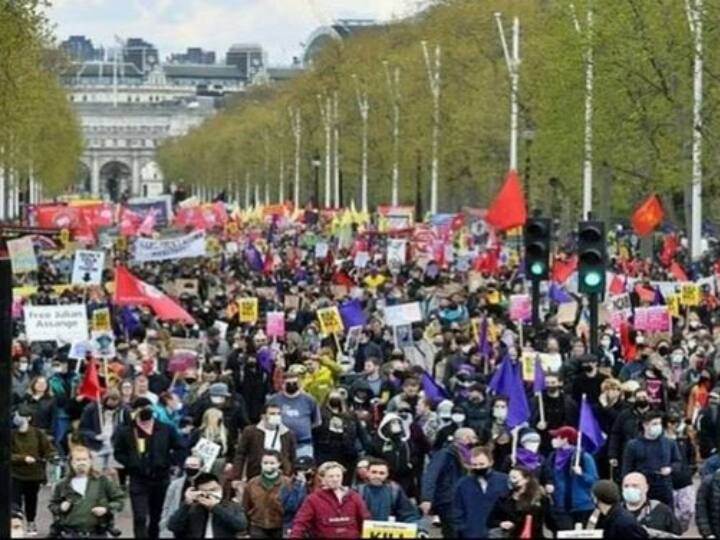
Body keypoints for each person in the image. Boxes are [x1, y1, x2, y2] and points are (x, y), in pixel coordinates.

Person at [113, 397, 184, 539]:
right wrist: (131, 462)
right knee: (140, 516)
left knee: (156, 516)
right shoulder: (126, 430)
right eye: (141, 408)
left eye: (148, 408)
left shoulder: (166, 428)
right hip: (138, 479)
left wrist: (168, 462)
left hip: (160, 478)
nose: (145, 411)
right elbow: (118, 453)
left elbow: (180, 448)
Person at [49, 445, 124, 537]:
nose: (82, 463)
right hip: (70, 533)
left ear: (90, 461)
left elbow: (120, 500)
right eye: (78, 460)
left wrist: (106, 509)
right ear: (71, 463)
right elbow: (52, 505)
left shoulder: (102, 481)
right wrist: (60, 507)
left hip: (96, 533)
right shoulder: (62, 484)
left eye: (84, 459)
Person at [420, 427, 478, 537]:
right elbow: (431, 475)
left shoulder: (468, 454)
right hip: (448, 499)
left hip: (463, 499)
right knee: (452, 532)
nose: (476, 441)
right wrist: (426, 498)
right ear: (465, 438)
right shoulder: (445, 454)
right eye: (474, 437)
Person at [289, 461, 370, 539]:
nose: (335, 479)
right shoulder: (313, 499)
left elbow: (365, 520)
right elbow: (301, 523)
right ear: (322, 478)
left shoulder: (354, 496)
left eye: (338, 476)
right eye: (331, 476)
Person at [11, 406, 56, 536]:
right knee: (14, 501)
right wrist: (23, 458)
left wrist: (52, 456)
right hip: (15, 473)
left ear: (29, 418)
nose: (17, 419)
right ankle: (16, 525)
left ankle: (31, 522)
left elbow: (48, 449)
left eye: (21, 416)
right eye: (16, 416)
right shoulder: (11, 434)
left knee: (31, 500)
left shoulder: (37, 433)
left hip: (34, 474)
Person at [543, 426, 598, 531]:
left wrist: (582, 474)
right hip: (559, 505)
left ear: (565, 439)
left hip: (580, 506)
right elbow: (547, 474)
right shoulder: (552, 456)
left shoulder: (583, 457)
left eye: (557, 437)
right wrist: (548, 483)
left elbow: (594, 480)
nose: (553, 440)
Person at [622, 411, 680, 507]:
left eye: (659, 423)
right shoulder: (633, 445)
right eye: (654, 424)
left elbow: (678, 462)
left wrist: (670, 469)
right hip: (642, 487)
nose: (658, 427)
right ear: (645, 425)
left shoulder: (669, 443)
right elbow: (627, 469)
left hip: (664, 487)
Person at [452, 446, 510, 538]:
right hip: (471, 533)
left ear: (491, 462)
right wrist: (461, 528)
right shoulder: (462, 484)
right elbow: (456, 509)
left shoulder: (504, 480)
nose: (478, 467)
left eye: (481, 464)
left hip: (498, 532)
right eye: (474, 465)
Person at [231, 403, 297, 485]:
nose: (276, 416)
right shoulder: (250, 432)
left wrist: (293, 475)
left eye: (278, 414)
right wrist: (236, 477)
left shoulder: (287, 433)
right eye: (272, 414)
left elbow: (293, 457)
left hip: (282, 476)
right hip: (255, 475)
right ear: (263, 416)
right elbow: (240, 455)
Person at [242, 450, 302, 538]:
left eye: (272, 463)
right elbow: (246, 506)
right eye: (265, 463)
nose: (268, 466)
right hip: (257, 525)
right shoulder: (252, 483)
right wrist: (245, 530)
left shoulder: (287, 483)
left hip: (280, 526)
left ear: (279, 464)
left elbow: (294, 507)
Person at [167, 472, 247, 538]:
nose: (211, 494)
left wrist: (215, 507)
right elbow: (173, 526)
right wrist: (186, 504)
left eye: (213, 490)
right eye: (206, 491)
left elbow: (241, 525)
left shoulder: (231, 506)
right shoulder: (192, 508)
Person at [268, 370, 321, 458]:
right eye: (288, 383)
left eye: (294, 383)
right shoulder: (273, 400)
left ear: (299, 383)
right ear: (283, 383)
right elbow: (267, 420)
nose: (292, 385)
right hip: (279, 442)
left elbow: (316, 421)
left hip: (304, 443)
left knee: (304, 469)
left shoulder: (309, 400)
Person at [357, 458, 422, 525]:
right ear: (367, 473)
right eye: (374, 472)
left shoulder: (395, 491)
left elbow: (409, 515)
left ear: (387, 474)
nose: (377, 476)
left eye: (381, 473)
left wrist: (418, 528)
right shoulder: (358, 491)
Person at [488, 466, 548, 538]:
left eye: (514, 477)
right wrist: (501, 523)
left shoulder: (539, 499)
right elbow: (491, 520)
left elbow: (548, 518)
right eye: (509, 477)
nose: (511, 480)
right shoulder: (503, 499)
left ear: (526, 479)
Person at [621, 472, 682, 536]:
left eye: (635, 486)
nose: (630, 489)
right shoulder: (616, 512)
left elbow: (676, 534)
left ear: (646, 488)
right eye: (626, 486)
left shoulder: (661, 510)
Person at [159, 455, 203, 538]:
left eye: (193, 465)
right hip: (178, 527)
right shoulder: (175, 485)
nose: (190, 468)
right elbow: (166, 506)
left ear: (201, 467)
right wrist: (163, 523)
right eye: (187, 465)